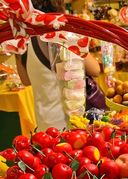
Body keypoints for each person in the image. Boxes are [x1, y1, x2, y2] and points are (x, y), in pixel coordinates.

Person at [15, 0, 100, 131]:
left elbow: (26, 81)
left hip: (44, 124)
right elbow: (95, 69)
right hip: (69, 125)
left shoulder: (24, 40)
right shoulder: (61, 36)